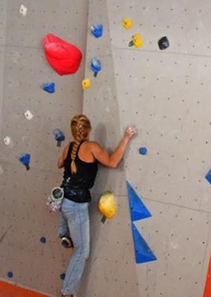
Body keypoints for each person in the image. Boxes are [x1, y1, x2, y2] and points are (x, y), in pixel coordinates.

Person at [56, 114, 137, 297]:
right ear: (88, 130)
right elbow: (113, 162)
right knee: (82, 252)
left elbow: (60, 164)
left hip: (64, 200)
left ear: (73, 130)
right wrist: (125, 138)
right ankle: (67, 293)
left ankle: (63, 233)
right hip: (77, 205)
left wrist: (70, 158)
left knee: (68, 218)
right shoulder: (92, 147)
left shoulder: (69, 147)